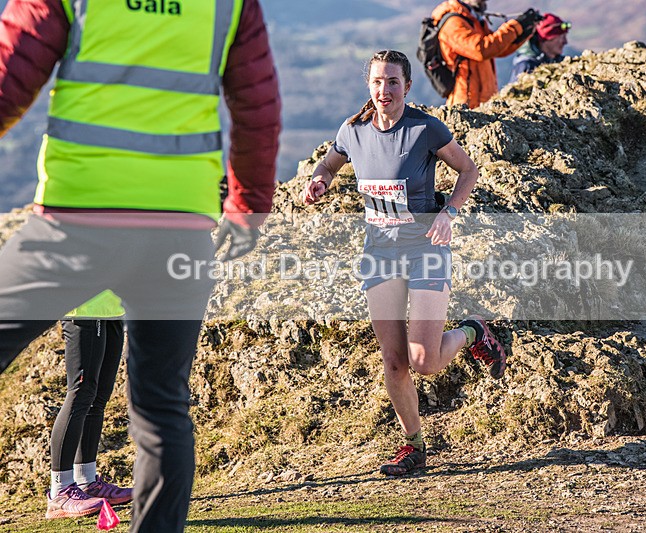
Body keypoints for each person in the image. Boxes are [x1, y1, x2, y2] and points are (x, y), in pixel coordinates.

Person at [0, 0, 280, 530]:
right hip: (180, 227)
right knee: (161, 409)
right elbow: (257, 107)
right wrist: (248, 207)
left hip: (77, 219)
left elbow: (7, 78)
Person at [303, 50, 507, 476]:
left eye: (393, 82)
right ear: (369, 86)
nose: (385, 90)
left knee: (424, 361)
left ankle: (474, 333)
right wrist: (320, 179)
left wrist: (449, 212)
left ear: (407, 86)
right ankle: (413, 446)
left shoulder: (425, 128)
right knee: (394, 363)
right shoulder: (353, 130)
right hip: (379, 254)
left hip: (425, 248)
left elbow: (468, 171)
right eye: (378, 82)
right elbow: (329, 162)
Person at [47, 291, 131, 519]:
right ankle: (60, 491)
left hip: (112, 309)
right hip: (83, 308)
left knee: (98, 399)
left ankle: (87, 482)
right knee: (80, 394)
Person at [432, 0, 541, 108]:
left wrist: (524, 32)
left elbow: (497, 49)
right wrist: (517, 27)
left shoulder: (473, 19)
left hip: (483, 100)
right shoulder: (453, 22)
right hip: (465, 103)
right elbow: (481, 50)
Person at [508, 13, 570, 84]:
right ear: (546, 39)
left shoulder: (563, 63)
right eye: (561, 37)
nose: (565, 42)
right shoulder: (526, 67)